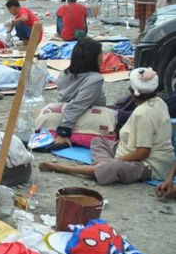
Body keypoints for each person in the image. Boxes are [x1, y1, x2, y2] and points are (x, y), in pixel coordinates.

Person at [40, 68, 174, 185]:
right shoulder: (159, 102)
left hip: (148, 164)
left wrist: (117, 160)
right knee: (98, 141)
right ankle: (102, 165)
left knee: (112, 166)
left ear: (132, 92)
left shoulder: (143, 113)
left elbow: (143, 152)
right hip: (129, 150)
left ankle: (63, 168)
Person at [41, 38, 105, 150]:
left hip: (62, 112)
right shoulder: (95, 79)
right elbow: (76, 105)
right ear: (94, 58)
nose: (102, 57)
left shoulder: (64, 73)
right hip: (81, 116)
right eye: (101, 54)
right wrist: (63, 132)